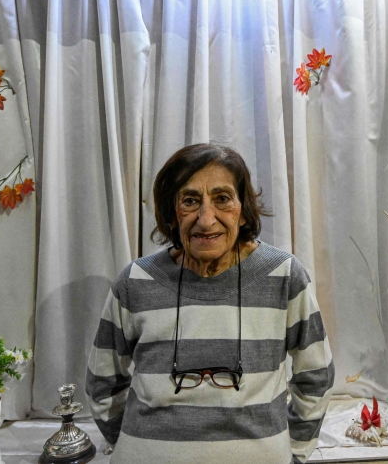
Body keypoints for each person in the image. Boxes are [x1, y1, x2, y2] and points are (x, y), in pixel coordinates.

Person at [86, 143, 334, 464]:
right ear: (171, 213)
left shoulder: (284, 276)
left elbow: (315, 377)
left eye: (222, 199)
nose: (206, 219)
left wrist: (294, 453)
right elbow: (103, 383)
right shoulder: (134, 281)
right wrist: (142, 446)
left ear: (243, 210)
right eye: (190, 201)